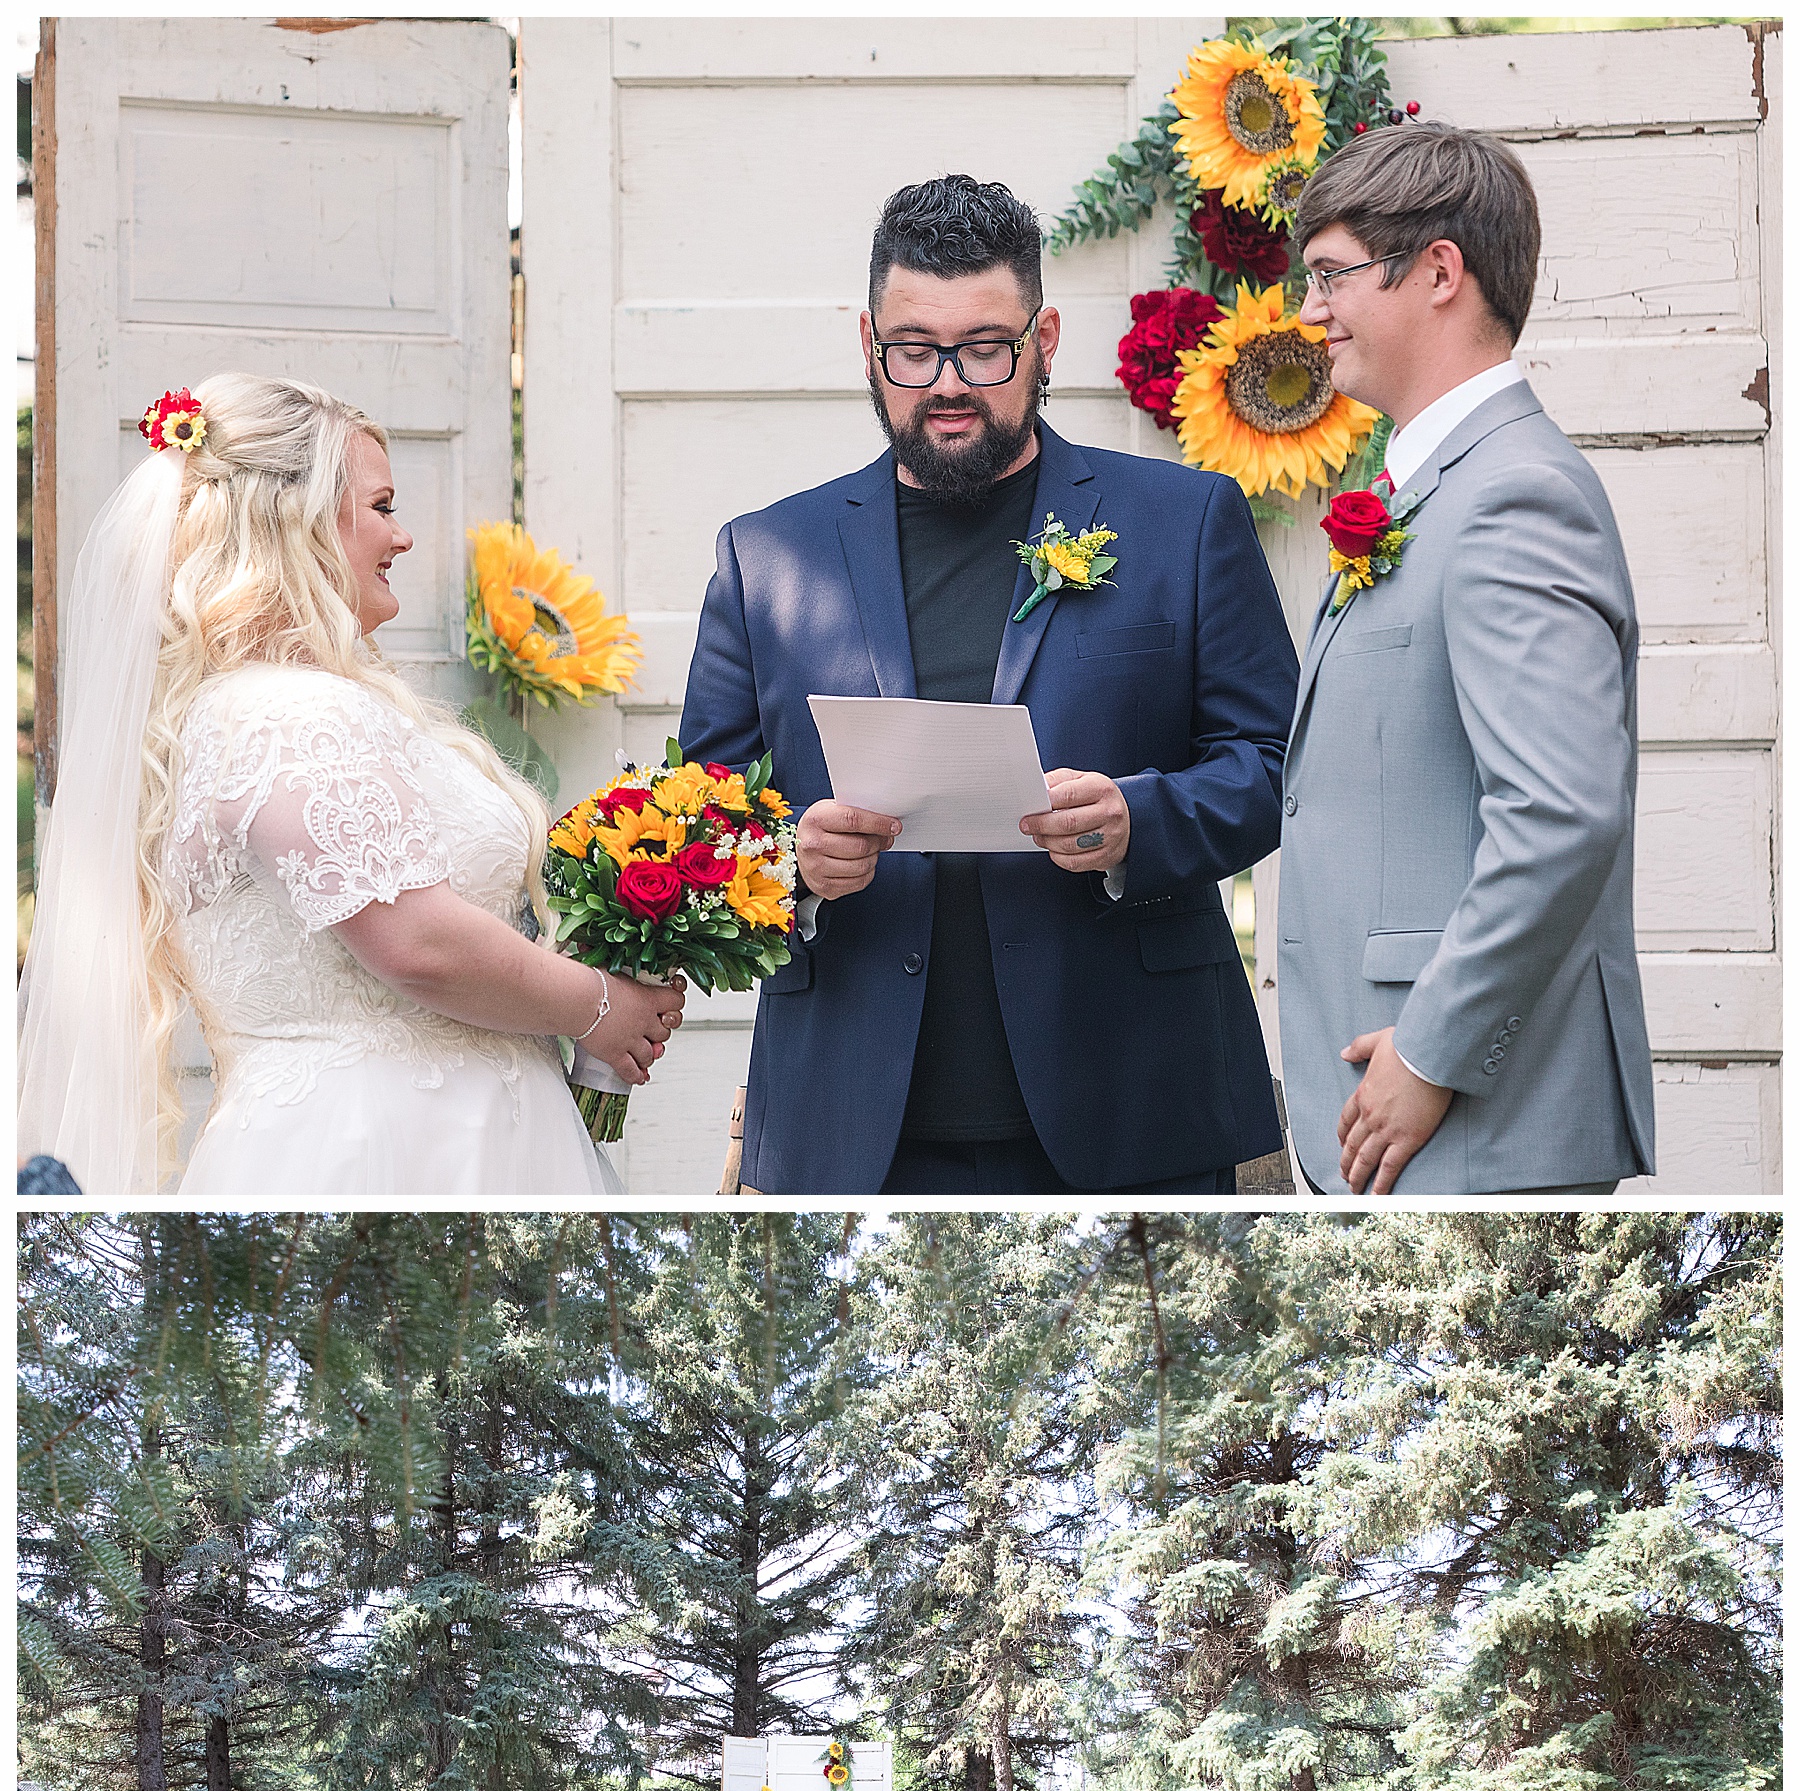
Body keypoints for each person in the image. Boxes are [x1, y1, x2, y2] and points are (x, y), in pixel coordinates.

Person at [679, 176, 1298, 1195]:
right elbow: (696, 827)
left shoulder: (1185, 522)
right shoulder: (766, 557)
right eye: (913, 350)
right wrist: (790, 860)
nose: (948, 382)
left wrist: (1142, 818)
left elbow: (1277, 767)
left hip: (1135, 1100)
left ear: (1045, 336)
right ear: (868, 343)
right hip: (851, 1122)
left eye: (985, 348)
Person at [17, 372, 683, 1196]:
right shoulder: (285, 715)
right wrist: (595, 1005)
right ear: (290, 521)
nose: (402, 536)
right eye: (381, 506)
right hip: (390, 1150)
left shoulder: (247, 711)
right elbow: (418, 943)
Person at [1277, 122, 1655, 1195]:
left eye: (1332, 277)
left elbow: (1561, 811)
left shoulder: (1514, 496)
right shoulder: (1436, 490)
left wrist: (1433, 1048)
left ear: (1439, 271)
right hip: (1403, 1126)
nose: (1311, 315)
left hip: (1475, 1120)